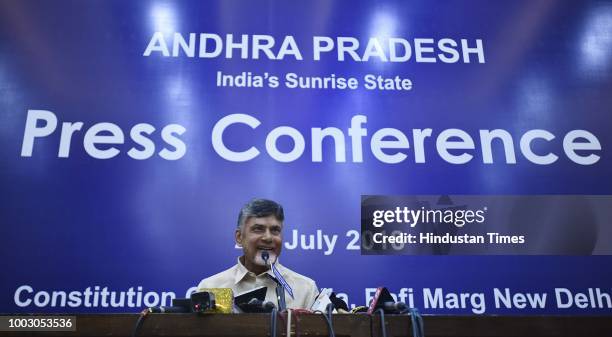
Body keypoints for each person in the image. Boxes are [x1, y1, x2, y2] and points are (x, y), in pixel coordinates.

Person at [197, 198, 320, 310]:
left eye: (275, 230)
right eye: (258, 229)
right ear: (239, 237)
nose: (268, 237)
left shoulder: (306, 289)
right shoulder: (209, 287)